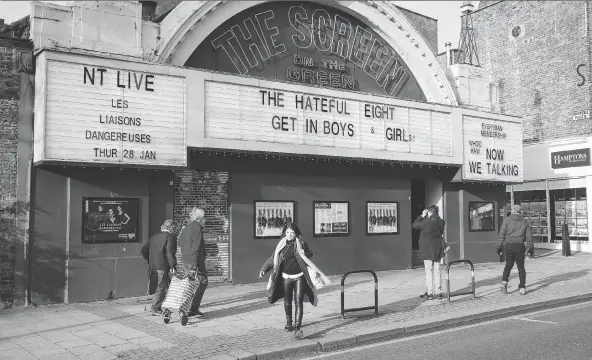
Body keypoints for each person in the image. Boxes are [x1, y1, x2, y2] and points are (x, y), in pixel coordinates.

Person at [259, 223, 328, 339]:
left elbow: (310, 253)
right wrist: (264, 269)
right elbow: (272, 258)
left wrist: (303, 253)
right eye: (287, 232)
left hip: (299, 276)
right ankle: (289, 322)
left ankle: (298, 328)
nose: (289, 235)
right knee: (287, 300)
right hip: (286, 277)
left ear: (296, 233)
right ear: (284, 233)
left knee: (298, 301)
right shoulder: (281, 245)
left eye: (292, 232)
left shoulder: (300, 243)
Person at [141, 219, 177, 315]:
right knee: (162, 286)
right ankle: (155, 308)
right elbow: (170, 253)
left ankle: (163, 305)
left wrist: (149, 259)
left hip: (153, 265)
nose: (176, 230)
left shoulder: (154, 236)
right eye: (175, 228)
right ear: (171, 227)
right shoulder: (170, 237)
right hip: (163, 265)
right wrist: (173, 265)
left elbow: (144, 250)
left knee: (163, 286)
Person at [178, 207, 208, 317]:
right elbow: (196, 247)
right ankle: (193, 307)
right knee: (203, 281)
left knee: (188, 283)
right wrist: (195, 265)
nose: (205, 220)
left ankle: (184, 306)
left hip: (185, 260)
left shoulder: (186, 228)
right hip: (195, 261)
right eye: (204, 218)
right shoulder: (197, 228)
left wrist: (186, 250)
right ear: (200, 219)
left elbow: (180, 243)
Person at [497, 204, 533, 295]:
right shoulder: (525, 222)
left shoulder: (507, 220)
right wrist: (530, 247)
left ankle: (504, 284)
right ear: (520, 211)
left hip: (509, 246)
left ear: (512, 211)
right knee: (521, 267)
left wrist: (499, 245)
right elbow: (529, 236)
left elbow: (501, 233)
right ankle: (522, 287)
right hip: (519, 246)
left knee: (508, 265)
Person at [412, 205, 446, 300]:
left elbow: (414, 225)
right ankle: (439, 293)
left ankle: (430, 293)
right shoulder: (441, 222)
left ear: (430, 212)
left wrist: (422, 216)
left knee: (428, 271)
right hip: (437, 249)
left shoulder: (425, 222)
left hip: (427, 250)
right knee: (437, 270)